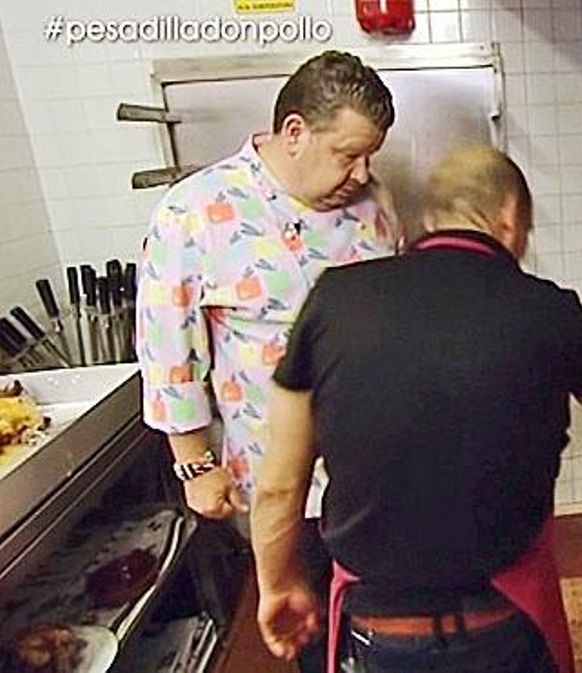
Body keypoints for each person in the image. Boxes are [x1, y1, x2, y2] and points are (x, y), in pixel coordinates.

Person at [251, 146, 582, 673]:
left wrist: (278, 585)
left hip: (378, 633)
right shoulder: (549, 310)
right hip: (502, 627)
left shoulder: (333, 298)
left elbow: (279, 485)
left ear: (429, 219)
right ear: (508, 220)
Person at [135, 50, 400, 673]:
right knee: (311, 633)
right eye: (348, 155)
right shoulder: (194, 210)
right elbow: (169, 351)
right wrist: (195, 465)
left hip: (382, 468)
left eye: (371, 157)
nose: (362, 173)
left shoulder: (373, 202)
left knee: (390, 627)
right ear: (294, 131)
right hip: (284, 485)